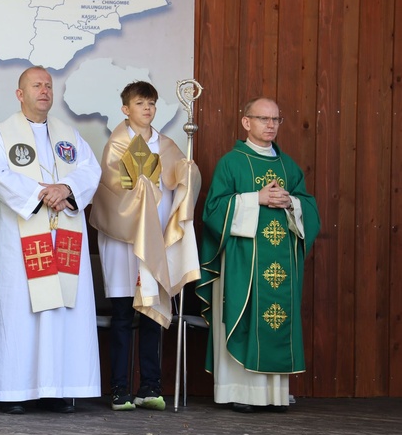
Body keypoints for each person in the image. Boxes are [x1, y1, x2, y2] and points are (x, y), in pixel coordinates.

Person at [0, 65, 102, 414]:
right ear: (20, 94)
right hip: (23, 235)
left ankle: (59, 387)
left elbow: (90, 170)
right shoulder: (0, 133)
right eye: (36, 85)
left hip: (63, 232)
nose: (44, 91)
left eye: (48, 85)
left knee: (63, 309)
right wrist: (42, 194)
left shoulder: (70, 135)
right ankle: (14, 390)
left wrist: (65, 189)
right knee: (21, 311)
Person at [195, 97, 320, 412]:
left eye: (276, 119)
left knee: (274, 320)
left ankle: (273, 395)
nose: (271, 125)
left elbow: (310, 208)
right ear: (246, 122)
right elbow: (213, 210)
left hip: (280, 265)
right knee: (244, 316)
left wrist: (292, 203)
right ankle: (239, 392)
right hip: (242, 261)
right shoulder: (231, 162)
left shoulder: (287, 165)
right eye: (263, 118)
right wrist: (256, 199)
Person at [90, 81, 201, 411]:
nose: (148, 109)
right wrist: (139, 186)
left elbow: (181, 179)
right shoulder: (118, 146)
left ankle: (150, 386)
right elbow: (110, 189)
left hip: (157, 242)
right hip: (123, 243)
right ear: (126, 109)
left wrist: (187, 171)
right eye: (141, 103)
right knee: (124, 313)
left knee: (153, 313)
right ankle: (120, 388)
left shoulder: (167, 145)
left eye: (152, 103)